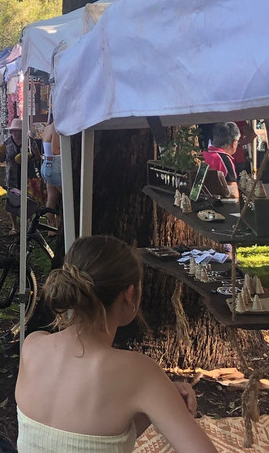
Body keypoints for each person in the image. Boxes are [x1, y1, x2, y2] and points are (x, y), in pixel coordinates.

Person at [15, 236, 217, 453]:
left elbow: (82, 440)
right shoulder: (140, 373)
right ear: (129, 294)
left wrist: (159, 402)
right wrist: (161, 396)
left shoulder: (32, 345)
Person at [202, 122, 240, 198]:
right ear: (234, 143)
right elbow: (234, 194)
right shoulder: (224, 159)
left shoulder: (202, 154)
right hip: (220, 205)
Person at [40, 117, 64, 212]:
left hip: (47, 165)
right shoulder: (56, 128)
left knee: (51, 199)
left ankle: (51, 223)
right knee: (69, 198)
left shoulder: (47, 128)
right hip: (56, 166)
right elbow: (55, 150)